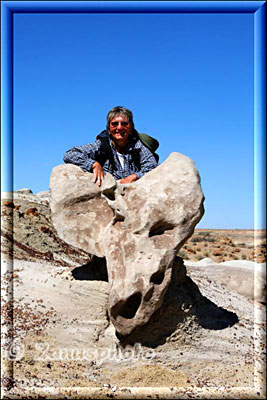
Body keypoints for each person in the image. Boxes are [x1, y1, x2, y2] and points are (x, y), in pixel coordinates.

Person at [63, 106, 158, 186]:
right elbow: (70, 154)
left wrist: (135, 176)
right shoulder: (101, 145)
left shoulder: (139, 147)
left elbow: (153, 168)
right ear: (108, 128)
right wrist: (94, 164)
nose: (119, 127)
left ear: (131, 128)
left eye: (124, 123)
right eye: (114, 124)